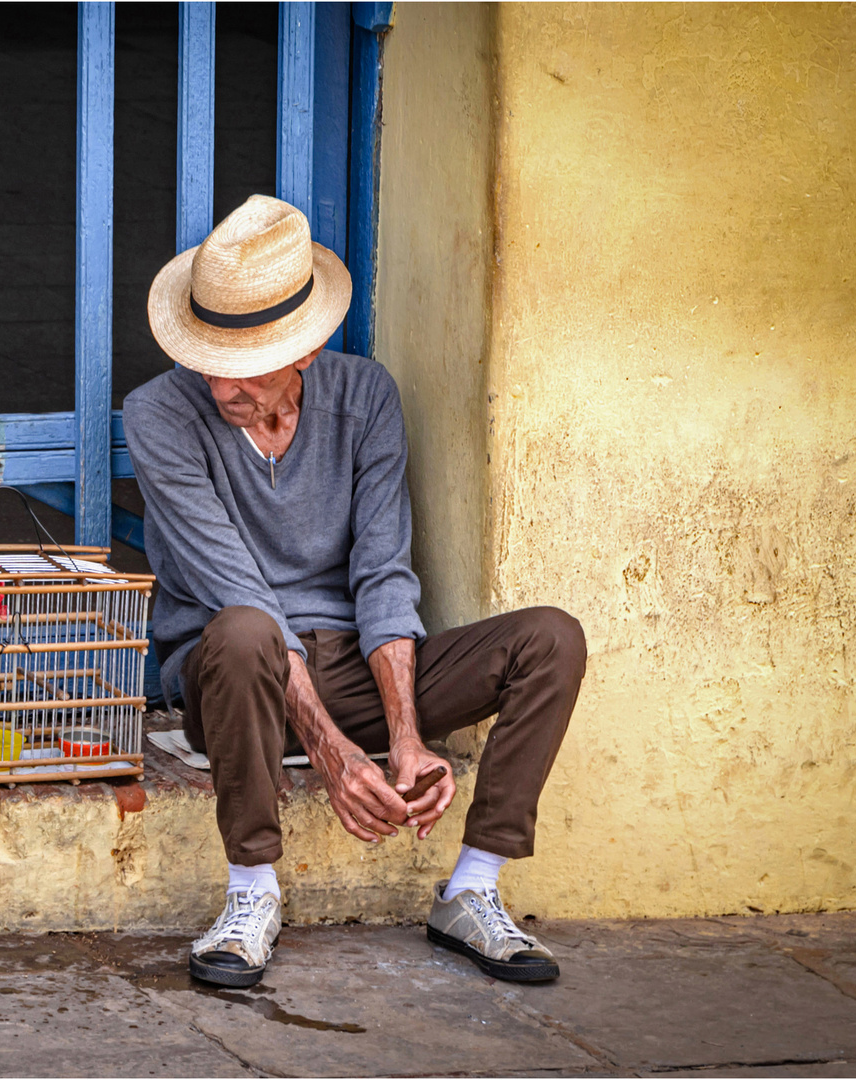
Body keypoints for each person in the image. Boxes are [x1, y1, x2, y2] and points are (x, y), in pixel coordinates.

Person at [123, 196, 585, 989]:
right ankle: (251, 894)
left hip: (352, 669)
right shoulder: (159, 414)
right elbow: (243, 594)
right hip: (236, 676)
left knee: (551, 638)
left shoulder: (364, 396)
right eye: (208, 358)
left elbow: (382, 572)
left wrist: (404, 737)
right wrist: (334, 757)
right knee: (239, 630)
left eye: (247, 362)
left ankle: (474, 887)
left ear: (306, 349)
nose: (222, 383)